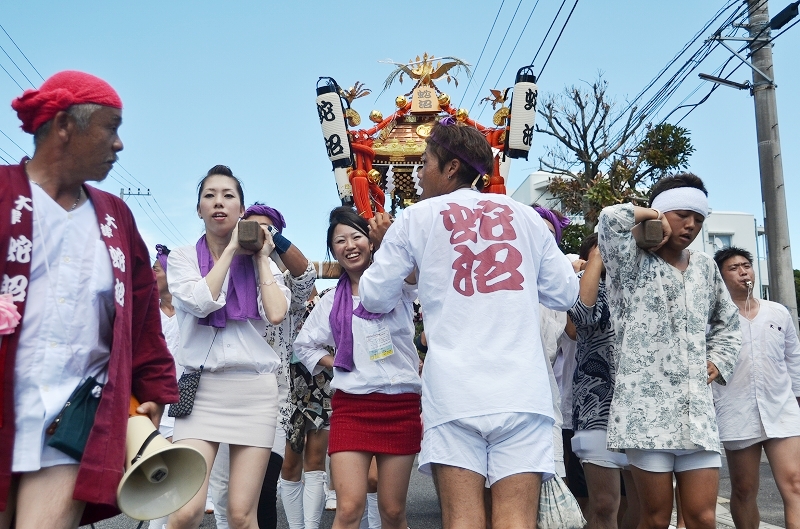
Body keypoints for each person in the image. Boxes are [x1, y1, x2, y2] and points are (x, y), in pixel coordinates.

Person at [358, 118, 579, 529]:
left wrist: (409, 267)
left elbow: (373, 295)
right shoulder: (528, 218)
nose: (418, 174)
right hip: (521, 390)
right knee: (516, 521)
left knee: (462, 521)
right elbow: (565, 294)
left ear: (451, 168)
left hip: (454, 392)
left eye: (424, 163)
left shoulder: (414, 219)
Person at [0, 70, 178, 529]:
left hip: (72, 416)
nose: (119, 144)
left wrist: (152, 386)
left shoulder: (116, 216)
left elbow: (141, 316)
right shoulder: (4, 193)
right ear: (64, 126)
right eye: (111, 127)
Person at [596, 173, 741, 529]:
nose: (691, 224)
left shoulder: (706, 267)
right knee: (656, 518)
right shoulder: (628, 261)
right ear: (660, 213)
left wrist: (718, 360)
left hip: (697, 415)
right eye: (681, 214)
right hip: (645, 415)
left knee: (703, 518)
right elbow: (610, 218)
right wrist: (650, 215)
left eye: (699, 218)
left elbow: (730, 324)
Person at [166, 165, 290, 529]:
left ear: (241, 209)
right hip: (199, 388)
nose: (218, 202)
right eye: (210, 195)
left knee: (240, 514)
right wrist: (232, 248)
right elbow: (201, 301)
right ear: (199, 208)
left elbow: (278, 312)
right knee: (186, 510)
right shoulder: (182, 257)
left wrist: (262, 258)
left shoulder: (261, 262)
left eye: (228, 196)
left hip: (254, 390)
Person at [294, 206, 422, 529]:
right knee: (349, 509)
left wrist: (390, 238)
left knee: (392, 512)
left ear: (370, 241)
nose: (349, 245)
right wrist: (337, 360)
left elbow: (415, 273)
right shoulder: (328, 303)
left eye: (356, 236)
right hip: (352, 407)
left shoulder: (398, 284)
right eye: (340, 241)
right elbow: (304, 344)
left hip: (399, 405)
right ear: (333, 250)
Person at [241, 203, 320, 529]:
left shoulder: (287, 284)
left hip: (273, 398)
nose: (258, 233)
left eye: (267, 228)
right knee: (225, 495)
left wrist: (271, 239)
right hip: (223, 392)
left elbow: (307, 276)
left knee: (261, 489)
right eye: (250, 226)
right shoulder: (226, 271)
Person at [712, 246, 800, 529]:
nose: (743, 271)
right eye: (733, 268)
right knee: (744, 489)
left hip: (782, 410)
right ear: (720, 276)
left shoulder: (778, 312)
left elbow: (794, 360)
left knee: (795, 485)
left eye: (746, 265)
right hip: (735, 412)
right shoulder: (713, 319)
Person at [567, 233, 638, 529]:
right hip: (597, 403)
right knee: (605, 503)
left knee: (644, 505)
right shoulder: (585, 283)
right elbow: (579, 319)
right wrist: (594, 261)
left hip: (640, 402)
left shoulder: (642, 282)